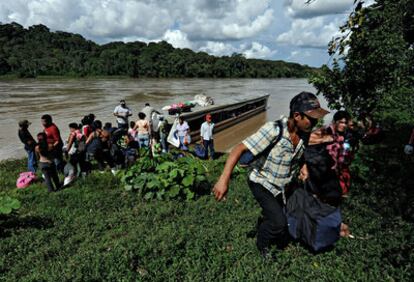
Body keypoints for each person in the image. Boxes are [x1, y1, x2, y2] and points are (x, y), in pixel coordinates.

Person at [213, 91, 329, 258]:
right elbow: (239, 148)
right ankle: (262, 244)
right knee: (278, 223)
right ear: (297, 116)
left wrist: (304, 167)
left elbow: (300, 154)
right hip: (262, 182)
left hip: (282, 184)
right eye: (311, 118)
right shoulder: (274, 130)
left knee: (288, 212)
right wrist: (223, 180)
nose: (315, 121)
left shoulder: (305, 133)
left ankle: (275, 224)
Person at [309, 110, 352, 195]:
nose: (343, 125)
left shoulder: (345, 135)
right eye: (341, 122)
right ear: (335, 122)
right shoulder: (326, 131)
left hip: (337, 173)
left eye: (345, 123)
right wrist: (325, 139)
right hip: (322, 173)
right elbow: (309, 140)